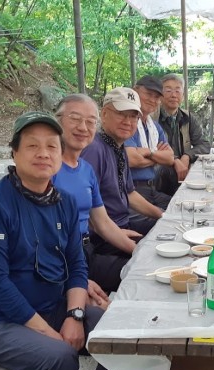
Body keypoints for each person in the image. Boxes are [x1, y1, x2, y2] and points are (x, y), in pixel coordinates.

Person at [0, 111, 107, 370]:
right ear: (14, 153)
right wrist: (47, 333)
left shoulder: (65, 202)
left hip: (52, 308)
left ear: (60, 154)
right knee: (60, 355)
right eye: (32, 146)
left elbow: (77, 264)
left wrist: (74, 315)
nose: (43, 153)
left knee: (115, 331)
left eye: (52, 146)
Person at [53, 93, 138, 296]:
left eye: (90, 122)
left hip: (85, 251)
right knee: (137, 281)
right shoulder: (47, 170)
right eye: (75, 119)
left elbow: (103, 223)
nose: (83, 127)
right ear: (57, 121)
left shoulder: (86, 169)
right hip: (62, 260)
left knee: (144, 270)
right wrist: (75, 282)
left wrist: (139, 252)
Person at [81, 87, 164, 238]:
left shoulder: (119, 147)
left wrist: (163, 215)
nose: (127, 122)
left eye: (133, 117)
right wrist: (116, 234)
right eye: (121, 114)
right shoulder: (94, 149)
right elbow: (84, 206)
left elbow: (130, 194)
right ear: (104, 114)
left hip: (123, 223)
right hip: (103, 236)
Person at [156, 74, 211, 195]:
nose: (173, 95)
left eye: (177, 90)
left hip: (184, 171)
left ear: (183, 95)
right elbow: (153, 149)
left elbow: (204, 144)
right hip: (161, 175)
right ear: (160, 95)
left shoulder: (188, 117)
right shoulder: (153, 118)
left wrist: (187, 156)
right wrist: (175, 161)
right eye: (168, 90)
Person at [124, 76, 173, 211]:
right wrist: (157, 157)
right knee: (171, 218)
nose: (153, 100)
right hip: (130, 191)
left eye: (157, 97)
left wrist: (148, 152)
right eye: (149, 94)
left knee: (184, 208)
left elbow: (170, 158)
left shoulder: (155, 127)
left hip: (152, 188)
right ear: (135, 91)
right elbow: (132, 159)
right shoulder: (127, 123)